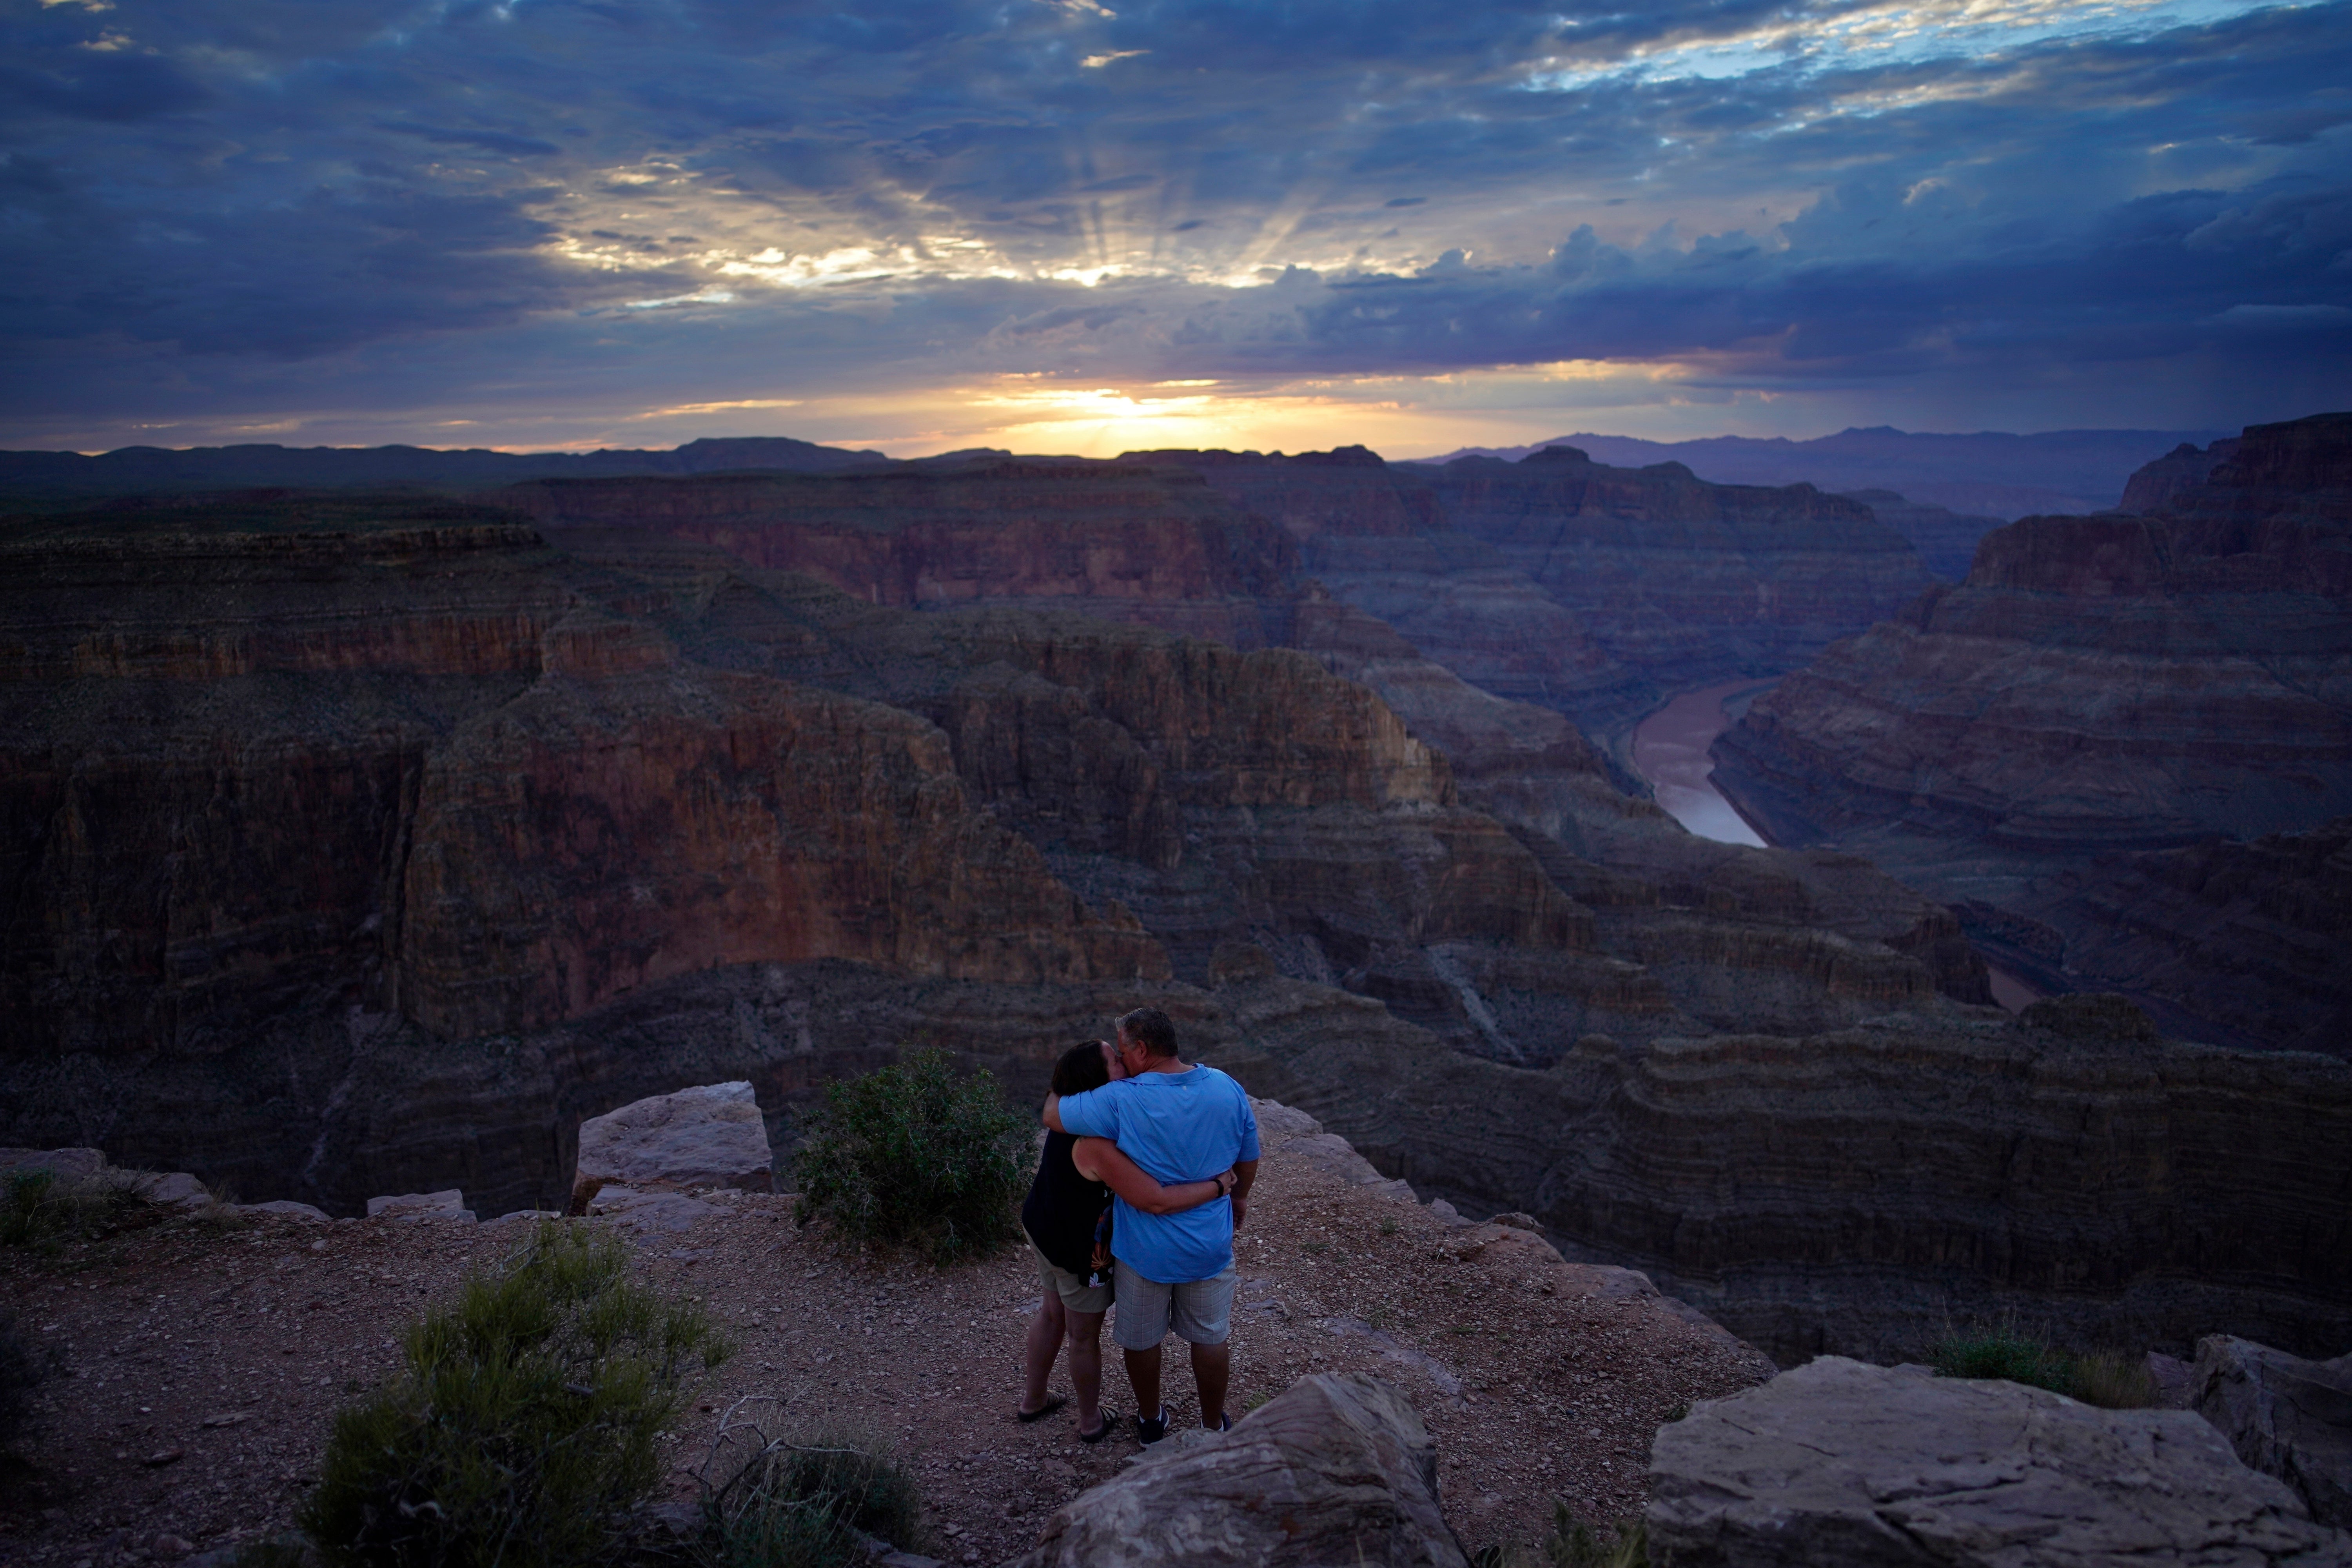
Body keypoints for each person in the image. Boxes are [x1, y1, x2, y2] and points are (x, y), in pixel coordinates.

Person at [1045, 1007, 1259, 1442]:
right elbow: (1248, 1155)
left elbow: (1053, 1113)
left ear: (1142, 1049)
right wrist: (1237, 1198)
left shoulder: (1119, 1099)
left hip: (1144, 1251)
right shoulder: (1226, 1086)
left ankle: (1149, 1421)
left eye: (1123, 1052)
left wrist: (1060, 1081)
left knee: (1142, 1341)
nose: (1121, 1063)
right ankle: (1213, 1424)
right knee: (1211, 1337)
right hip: (1208, 1245)